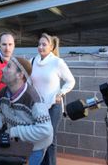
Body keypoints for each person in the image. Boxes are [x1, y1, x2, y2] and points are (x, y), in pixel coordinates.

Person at [0, 57, 53, 165]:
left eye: (8, 67)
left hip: (35, 147)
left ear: (20, 75)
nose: (2, 69)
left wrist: (15, 132)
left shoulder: (34, 99)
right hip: (17, 143)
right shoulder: (2, 93)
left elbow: (45, 129)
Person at [31, 33, 75, 165]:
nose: (40, 47)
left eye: (44, 44)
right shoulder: (32, 61)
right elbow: (27, 83)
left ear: (51, 46)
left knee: (50, 140)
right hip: (38, 108)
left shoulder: (57, 62)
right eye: (39, 44)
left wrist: (60, 93)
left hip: (53, 107)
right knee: (39, 140)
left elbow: (71, 81)